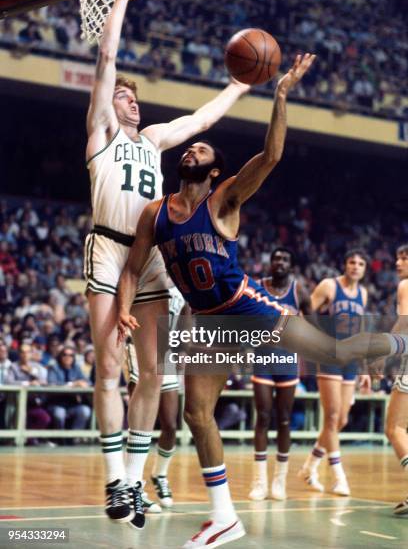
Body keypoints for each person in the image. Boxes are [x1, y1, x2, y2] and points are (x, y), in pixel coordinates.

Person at [117, 53, 407, 548]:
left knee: (333, 353)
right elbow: (133, 266)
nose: (193, 150)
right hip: (208, 320)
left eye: (203, 148)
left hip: (246, 305)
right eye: (190, 147)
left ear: (215, 171)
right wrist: (124, 307)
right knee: (196, 414)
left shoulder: (224, 199)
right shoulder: (154, 212)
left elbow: (271, 157)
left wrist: (281, 94)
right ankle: (225, 516)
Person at [85, 0, 250, 527]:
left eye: (133, 96)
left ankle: (132, 483)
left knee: (152, 374)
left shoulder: (153, 139)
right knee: (109, 366)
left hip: (151, 251)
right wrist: (123, 2)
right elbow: (108, 56)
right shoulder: (101, 133)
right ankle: (114, 480)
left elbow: (201, 121)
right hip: (110, 249)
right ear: (108, 105)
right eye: (122, 95)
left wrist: (239, 88)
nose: (130, 99)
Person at [299, 249, 370, 496]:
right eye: (352, 262)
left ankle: (309, 467)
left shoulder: (363, 293)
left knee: (341, 420)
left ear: (364, 269)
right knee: (331, 418)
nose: (356, 266)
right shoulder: (329, 285)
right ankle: (340, 477)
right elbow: (304, 313)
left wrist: (364, 368)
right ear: (345, 264)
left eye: (361, 263)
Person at [249, 247, 312, 501]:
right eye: (275, 258)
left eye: (285, 259)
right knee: (263, 416)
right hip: (263, 356)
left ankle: (279, 482)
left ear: (291, 265)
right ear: (270, 263)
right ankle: (259, 482)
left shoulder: (300, 291)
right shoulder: (258, 286)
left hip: (288, 359)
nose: (279, 262)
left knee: (284, 418)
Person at [124, 283, 186, 513]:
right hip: (138, 348)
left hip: (167, 353)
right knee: (140, 424)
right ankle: (134, 485)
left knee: (170, 424)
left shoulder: (181, 281)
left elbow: (185, 318)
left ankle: (159, 474)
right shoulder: (145, 275)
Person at [385, 244, 408, 515]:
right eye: (398, 256)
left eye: (404, 257)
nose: (398, 262)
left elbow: (404, 324)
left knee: (395, 428)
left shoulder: (405, 286)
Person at [47, 345, 91, 433]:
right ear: (60, 356)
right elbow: (52, 384)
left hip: (72, 404)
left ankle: (74, 437)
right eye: (65, 355)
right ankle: (60, 439)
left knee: (85, 411)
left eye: (71, 355)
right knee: (59, 414)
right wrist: (72, 384)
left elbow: (88, 382)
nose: (68, 357)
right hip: (57, 403)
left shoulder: (76, 368)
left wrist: (84, 383)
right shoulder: (54, 368)